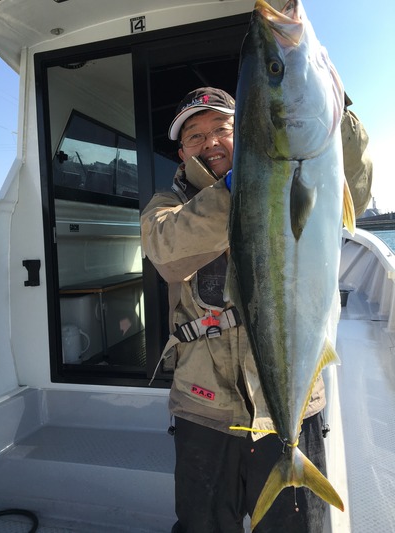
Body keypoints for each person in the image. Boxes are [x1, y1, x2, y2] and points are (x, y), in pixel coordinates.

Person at [140, 87, 372, 533]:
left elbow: (353, 198)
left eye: (221, 129)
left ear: (245, 131)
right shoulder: (165, 206)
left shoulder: (291, 182)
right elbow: (167, 252)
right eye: (195, 136)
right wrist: (240, 187)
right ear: (181, 150)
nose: (209, 142)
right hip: (202, 406)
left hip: (289, 404)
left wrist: (337, 117)